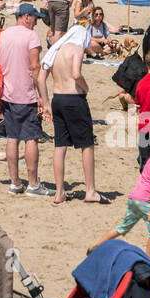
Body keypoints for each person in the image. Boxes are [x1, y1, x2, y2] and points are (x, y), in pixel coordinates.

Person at [88, 132, 150, 260]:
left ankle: (97, 245)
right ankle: (148, 260)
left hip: (134, 199)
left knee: (123, 227)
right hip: (144, 201)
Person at [0, 4, 52, 197]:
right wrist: (43, 98)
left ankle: (14, 183)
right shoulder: (31, 36)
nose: (37, 21)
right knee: (31, 138)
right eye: (35, 18)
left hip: (7, 93)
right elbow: (35, 67)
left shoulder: (2, 35)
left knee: (12, 138)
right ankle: (33, 184)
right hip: (26, 93)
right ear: (26, 16)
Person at [45, 35, 103, 205]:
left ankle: (59, 191)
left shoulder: (56, 50)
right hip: (73, 99)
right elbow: (76, 74)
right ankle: (90, 190)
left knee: (60, 145)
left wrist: (45, 100)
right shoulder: (76, 49)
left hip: (57, 98)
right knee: (87, 144)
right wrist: (86, 88)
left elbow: (42, 74)